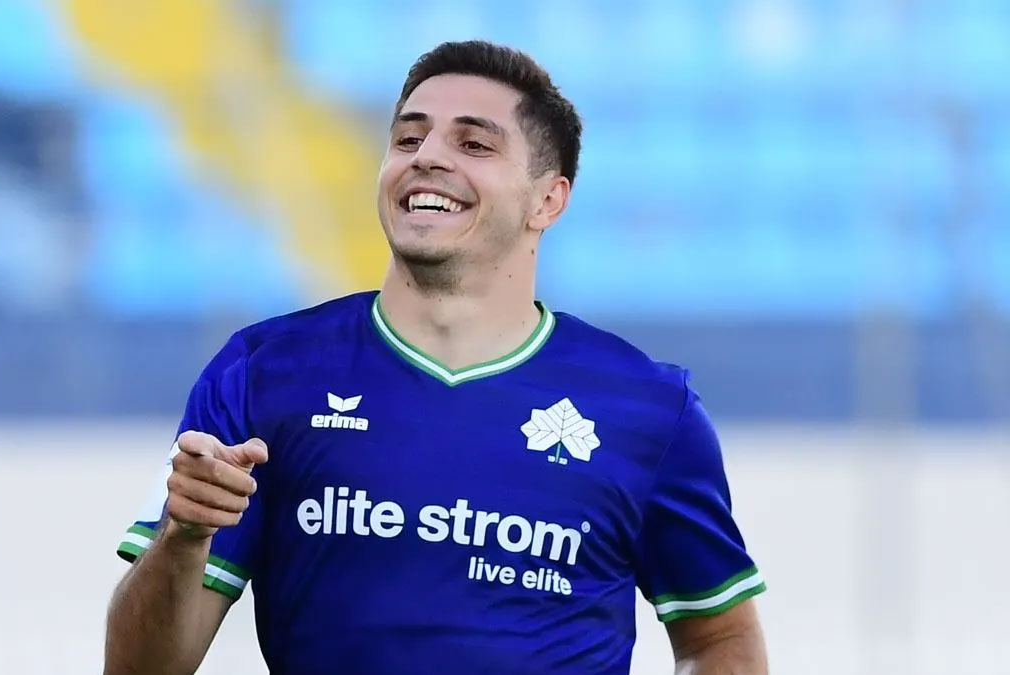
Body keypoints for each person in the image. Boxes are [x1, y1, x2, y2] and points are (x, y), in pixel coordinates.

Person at [104, 40, 768, 675]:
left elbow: (720, 637)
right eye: (407, 138)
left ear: (548, 199)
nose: (426, 157)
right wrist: (182, 536)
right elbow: (137, 668)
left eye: (473, 144)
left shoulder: (649, 410)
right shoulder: (262, 373)